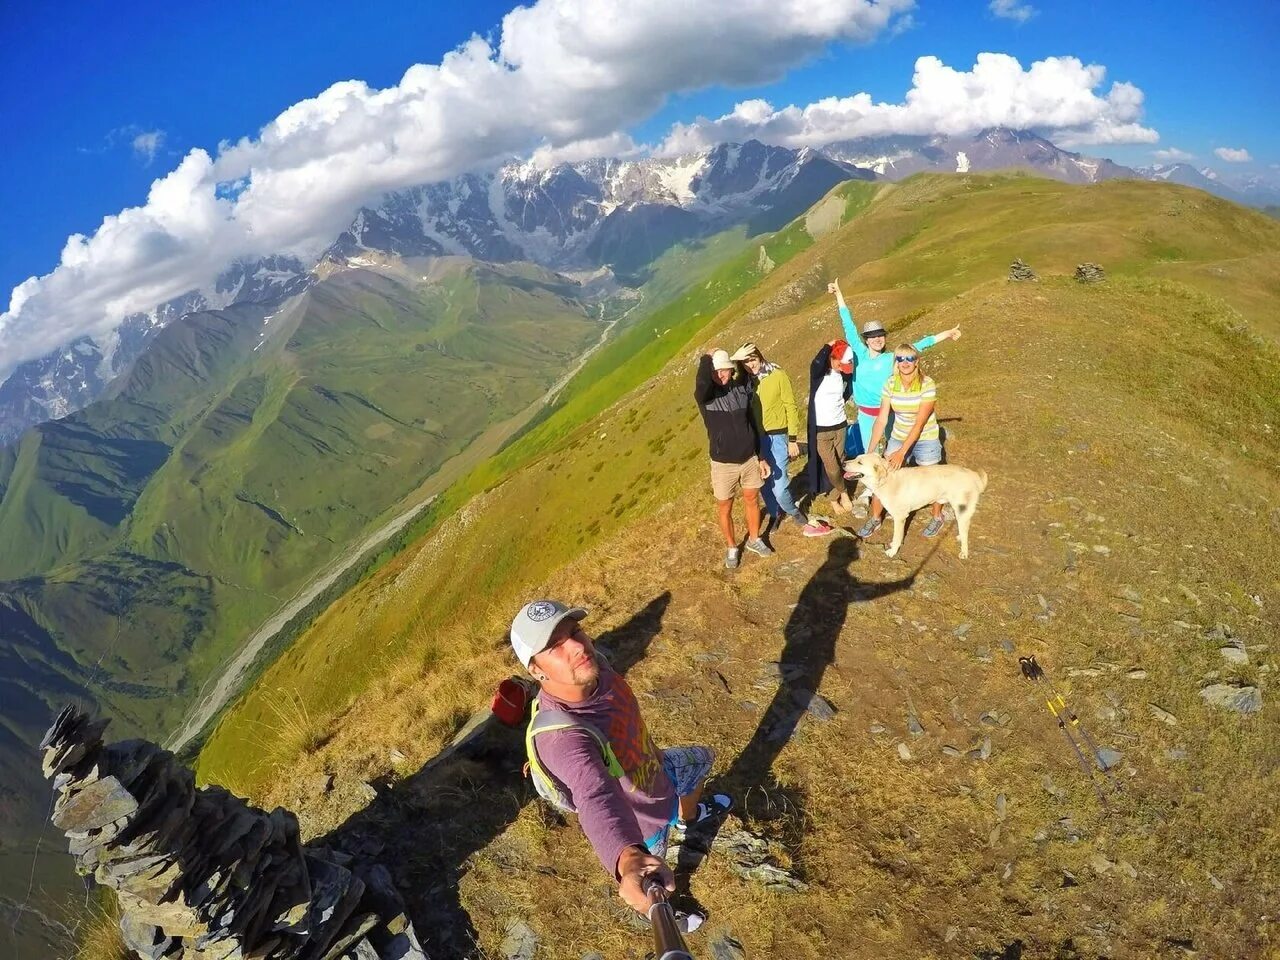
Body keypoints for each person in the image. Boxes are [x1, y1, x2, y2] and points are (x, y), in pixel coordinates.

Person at [511, 600, 733, 916]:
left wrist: (655, 752)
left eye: (575, 631)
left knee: (704, 759)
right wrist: (628, 857)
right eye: (554, 646)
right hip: (642, 824)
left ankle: (686, 817)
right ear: (535, 670)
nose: (576, 645)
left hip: (660, 769)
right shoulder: (562, 737)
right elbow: (594, 795)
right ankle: (666, 913)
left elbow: (631, 719)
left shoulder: (599, 667)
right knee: (653, 877)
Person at [828, 279, 960, 461]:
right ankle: (871, 486)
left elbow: (919, 346)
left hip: (889, 410)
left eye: (880, 335)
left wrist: (946, 334)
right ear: (866, 340)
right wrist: (838, 294)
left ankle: (898, 478)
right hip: (865, 413)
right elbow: (848, 324)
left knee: (894, 447)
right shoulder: (858, 353)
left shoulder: (891, 357)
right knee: (869, 450)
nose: (877, 339)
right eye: (872, 336)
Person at [731, 342, 833, 538]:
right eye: (745, 362)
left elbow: (790, 406)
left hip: (778, 436)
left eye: (752, 359)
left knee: (779, 486)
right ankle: (776, 513)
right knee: (765, 482)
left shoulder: (777, 375)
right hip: (756, 440)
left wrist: (792, 439)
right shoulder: (744, 383)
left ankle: (798, 516)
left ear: (760, 356)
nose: (750, 365)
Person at [854, 344, 947, 540]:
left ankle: (937, 516)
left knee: (933, 477)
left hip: (925, 437)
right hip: (899, 434)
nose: (905, 363)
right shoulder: (890, 384)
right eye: (900, 358)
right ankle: (876, 518)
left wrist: (902, 453)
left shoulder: (927, 384)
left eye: (910, 358)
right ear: (895, 362)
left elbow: (920, 423)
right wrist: (870, 452)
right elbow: (881, 419)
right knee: (882, 476)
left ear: (917, 361)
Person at [694, 349, 775, 568]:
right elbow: (701, 386)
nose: (721, 375)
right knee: (725, 507)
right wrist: (705, 359)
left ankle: (754, 539)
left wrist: (761, 457)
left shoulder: (740, 390)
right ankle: (731, 547)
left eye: (725, 370)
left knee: (752, 499)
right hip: (723, 464)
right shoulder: (707, 397)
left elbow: (752, 425)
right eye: (717, 371)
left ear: (731, 370)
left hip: (749, 459)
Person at [805, 339, 855, 514]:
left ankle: (833, 499)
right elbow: (816, 362)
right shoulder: (819, 374)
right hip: (821, 430)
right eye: (841, 365)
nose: (843, 369)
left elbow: (848, 390)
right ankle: (844, 492)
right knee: (832, 468)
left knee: (840, 461)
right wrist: (827, 345)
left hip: (840, 425)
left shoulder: (843, 374)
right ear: (833, 358)